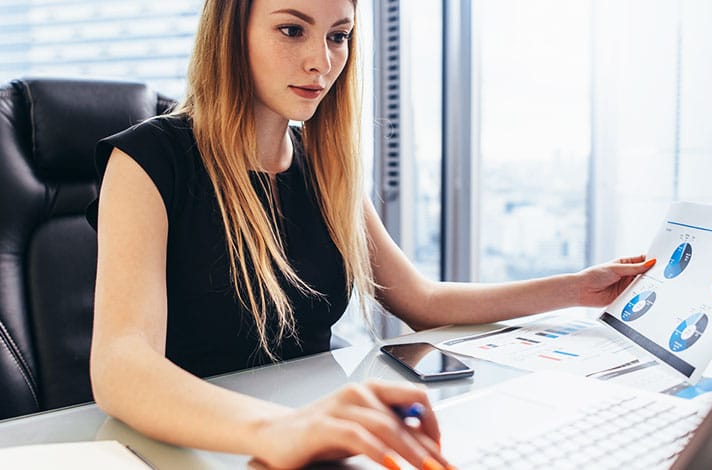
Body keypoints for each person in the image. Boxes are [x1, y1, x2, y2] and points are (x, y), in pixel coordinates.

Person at [86, 0, 655, 468]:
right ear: (232, 33)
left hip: (302, 436)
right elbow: (121, 363)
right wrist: (280, 429)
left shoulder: (324, 165)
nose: (321, 61)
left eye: (339, 36)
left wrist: (578, 290)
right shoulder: (149, 160)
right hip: (191, 442)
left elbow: (422, 301)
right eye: (292, 29)